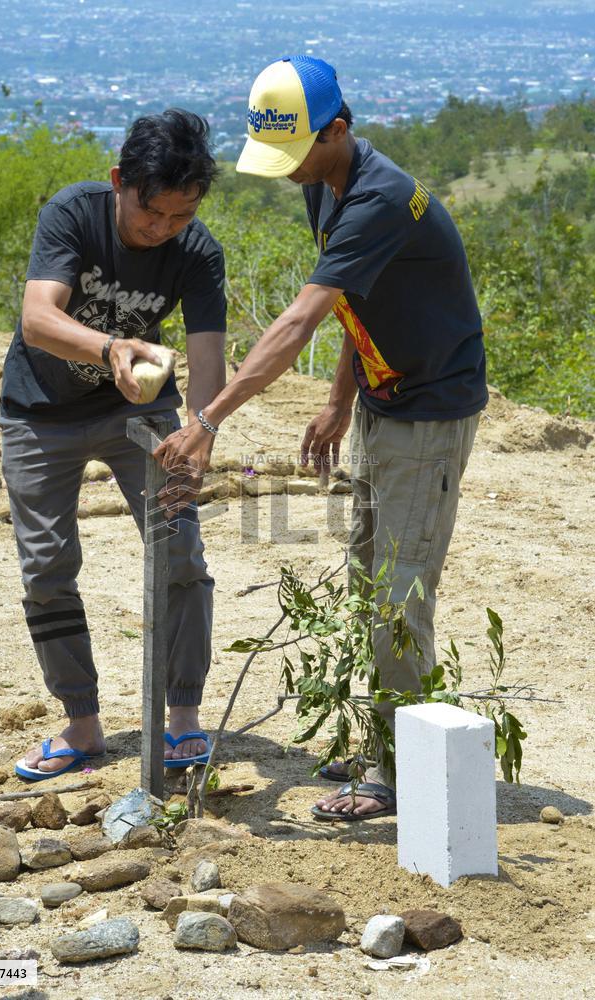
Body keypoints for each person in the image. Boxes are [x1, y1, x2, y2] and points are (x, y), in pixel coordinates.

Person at [154, 57, 487, 819]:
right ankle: (388, 740)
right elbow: (353, 301)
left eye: (295, 151)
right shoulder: (324, 182)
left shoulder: (378, 198)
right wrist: (339, 399)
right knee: (368, 577)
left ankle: (397, 773)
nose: (287, 170)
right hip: (382, 397)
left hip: (429, 413)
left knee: (398, 596)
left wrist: (208, 419)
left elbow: (301, 317)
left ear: (335, 130)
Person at [0, 110, 227, 779]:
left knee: (180, 551)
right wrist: (110, 348)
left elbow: (206, 357)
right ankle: (81, 723)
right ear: (119, 181)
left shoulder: (198, 251)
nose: (163, 228)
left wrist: (201, 429)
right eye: (151, 211)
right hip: (38, 411)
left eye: (181, 214)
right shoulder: (74, 213)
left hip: (144, 411)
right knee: (46, 568)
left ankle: (182, 716)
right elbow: (37, 319)